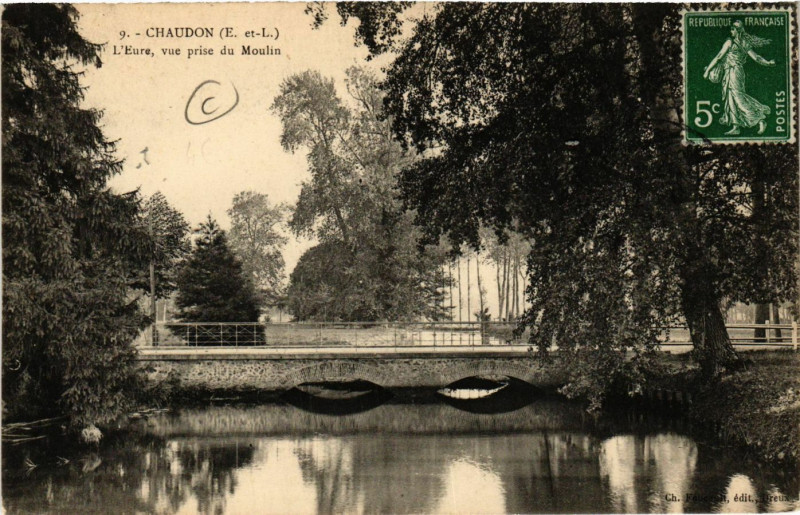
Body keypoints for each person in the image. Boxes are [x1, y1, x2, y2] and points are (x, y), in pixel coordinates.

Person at [703, 20, 775, 135]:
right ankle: (736, 127)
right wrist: (768, 63)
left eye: (733, 29)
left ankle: (759, 120)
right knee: (730, 97)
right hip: (731, 71)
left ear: (738, 30)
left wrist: (707, 71)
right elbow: (756, 57)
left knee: (737, 97)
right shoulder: (744, 43)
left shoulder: (730, 42)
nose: (731, 31)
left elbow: (718, 57)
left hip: (734, 72)